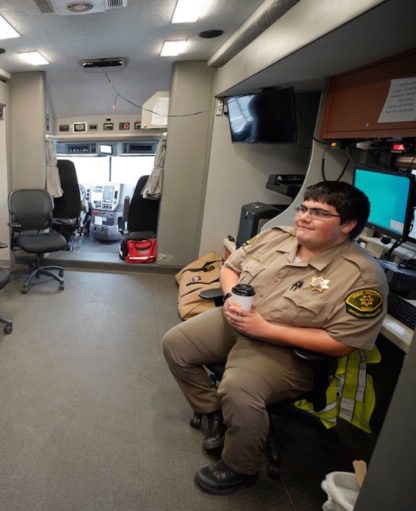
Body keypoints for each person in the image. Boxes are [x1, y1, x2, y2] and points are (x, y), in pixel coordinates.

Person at [162, 181, 388, 494]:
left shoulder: (361, 275)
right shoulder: (275, 236)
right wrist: (231, 298)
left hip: (283, 346)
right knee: (176, 346)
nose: (303, 218)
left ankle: (240, 467)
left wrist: (265, 329)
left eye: (319, 213)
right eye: (304, 209)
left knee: (238, 389)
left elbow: (343, 343)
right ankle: (211, 411)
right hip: (237, 320)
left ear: (348, 225)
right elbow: (230, 267)